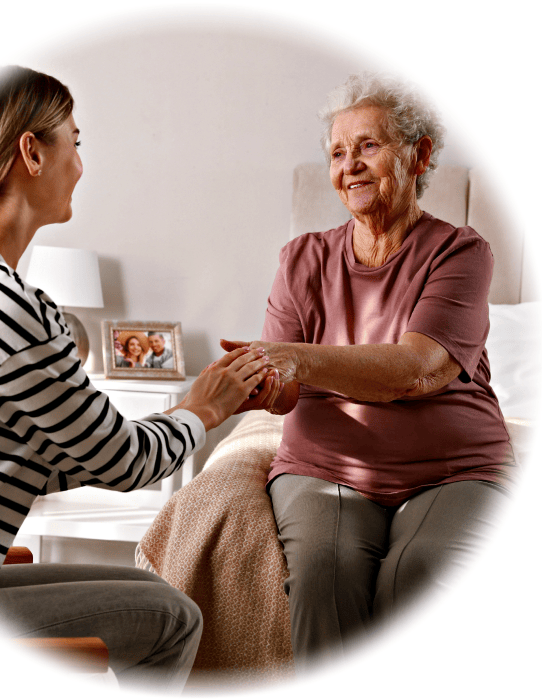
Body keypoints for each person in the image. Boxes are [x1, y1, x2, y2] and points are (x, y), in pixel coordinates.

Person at [0, 65, 276, 693]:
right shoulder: (1, 304)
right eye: (75, 142)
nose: (80, 164)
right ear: (32, 151)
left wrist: (116, 437)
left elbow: (17, 460)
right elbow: (128, 465)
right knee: (172, 619)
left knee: (152, 594)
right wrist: (203, 409)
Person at [221, 72, 515, 672]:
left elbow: (420, 368)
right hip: (325, 465)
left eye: (368, 146)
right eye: (336, 152)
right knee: (325, 572)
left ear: (420, 154)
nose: (349, 165)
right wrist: (260, 382)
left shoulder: (460, 252)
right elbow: (284, 392)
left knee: (421, 574)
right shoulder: (302, 258)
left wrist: (297, 358)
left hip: (453, 469)